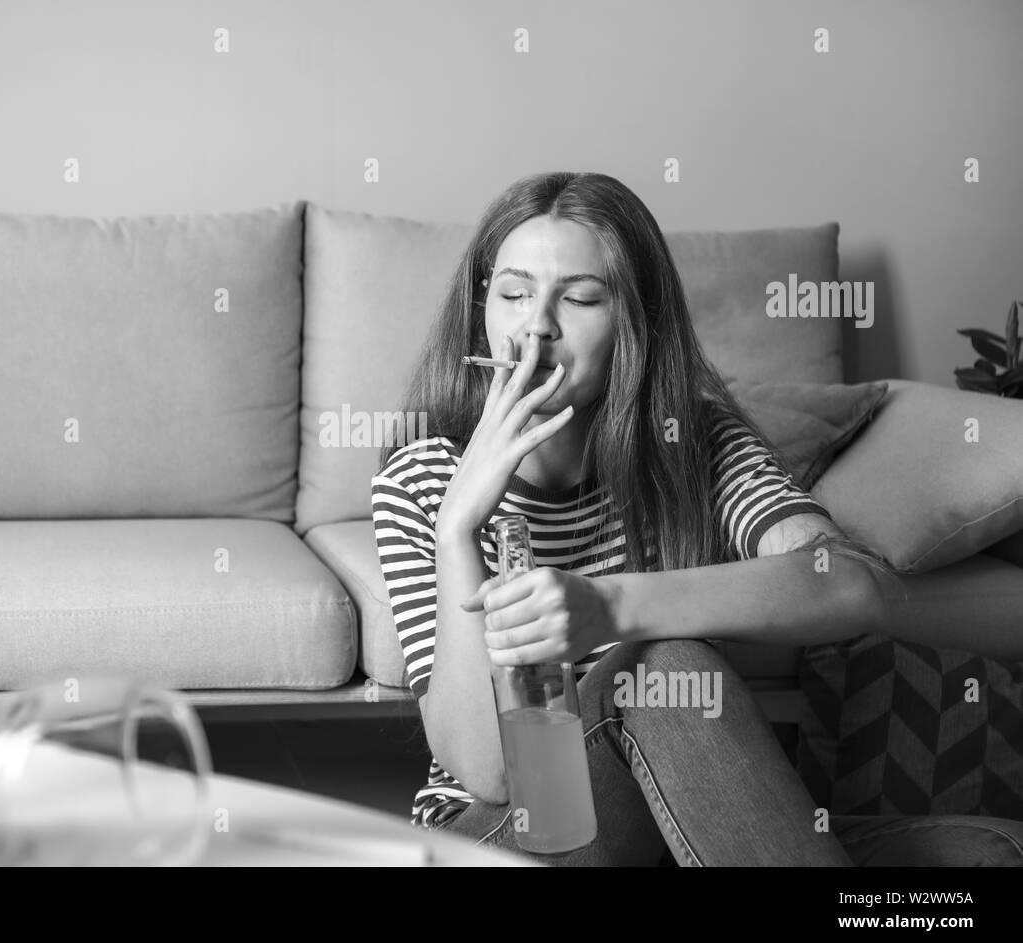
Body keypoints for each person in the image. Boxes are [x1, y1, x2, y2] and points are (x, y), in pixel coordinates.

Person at [370, 171, 1023, 866]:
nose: (537, 324)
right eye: (513, 293)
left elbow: (850, 584)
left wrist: (610, 607)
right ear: (482, 314)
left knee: (986, 852)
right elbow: (489, 775)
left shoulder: (695, 443)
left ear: (636, 323)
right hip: (501, 840)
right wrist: (457, 528)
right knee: (661, 666)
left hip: (673, 821)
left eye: (582, 297)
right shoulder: (419, 483)